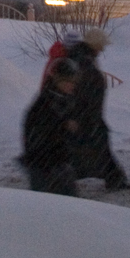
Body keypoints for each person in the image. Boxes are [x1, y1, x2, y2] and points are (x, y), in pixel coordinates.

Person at [67, 28, 129, 189]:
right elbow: (86, 92)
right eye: (101, 46)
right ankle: (114, 179)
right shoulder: (85, 61)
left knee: (90, 148)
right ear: (95, 45)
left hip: (84, 114)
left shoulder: (79, 56)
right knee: (97, 148)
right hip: (88, 115)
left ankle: (113, 178)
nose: (102, 49)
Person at [21, 58, 82, 196]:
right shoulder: (46, 101)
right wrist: (64, 125)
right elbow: (40, 131)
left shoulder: (62, 98)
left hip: (57, 162)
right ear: (58, 80)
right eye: (68, 81)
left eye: (73, 82)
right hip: (44, 165)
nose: (72, 85)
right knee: (49, 204)